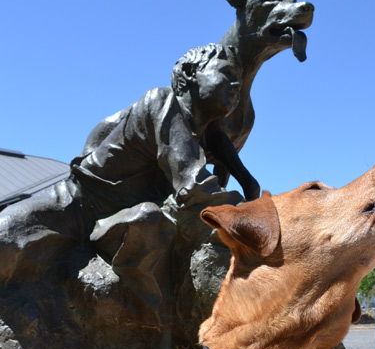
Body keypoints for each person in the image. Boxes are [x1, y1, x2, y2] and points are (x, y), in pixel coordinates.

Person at [0, 43, 257, 283]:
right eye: (226, 73)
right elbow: (194, 185)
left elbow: (242, 176)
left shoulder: (208, 131)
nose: (236, 85)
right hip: (75, 205)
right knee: (6, 241)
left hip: (113, 215)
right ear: (190, 73)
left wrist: (249, 187)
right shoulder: (161, 101)